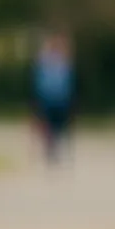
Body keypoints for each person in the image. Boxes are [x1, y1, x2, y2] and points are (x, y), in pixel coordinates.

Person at [32, 33, 74, 163]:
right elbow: (38, 82)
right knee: (49, 126)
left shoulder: (64, 62)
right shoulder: (44, 61)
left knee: (58, 127)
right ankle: (51, 148)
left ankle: (54, 147)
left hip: (61, 99)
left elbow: (68, 82)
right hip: (47, 99)